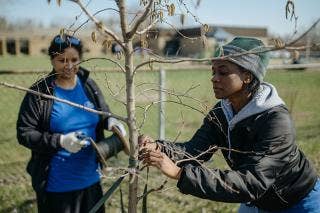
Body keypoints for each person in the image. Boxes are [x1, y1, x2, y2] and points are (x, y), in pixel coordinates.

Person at [139, 37, 319, 212]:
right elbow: (194, 151)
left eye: (223, 72)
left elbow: (253, 181)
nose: (214, 78)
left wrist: (180, 174)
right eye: (213, 71)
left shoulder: (276, 121)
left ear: (247, 76)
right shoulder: (222, 112)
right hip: (255, 201)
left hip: (298, 202)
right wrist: (158, 148)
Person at [16, 34, 128, 213]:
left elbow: (103, 113)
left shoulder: (88, 85)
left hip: (91, 180)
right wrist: (60, 141)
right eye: (62, 60)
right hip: (57, 187)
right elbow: (24, 133)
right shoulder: (40, 94)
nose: (69, 66)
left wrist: (112, 122)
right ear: (52, 60)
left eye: (74, 60)